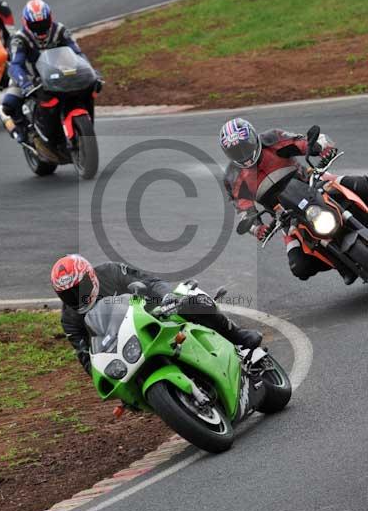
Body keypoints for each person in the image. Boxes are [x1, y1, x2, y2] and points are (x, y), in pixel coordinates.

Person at [50, 254, 262, 375]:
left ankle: (237, 336)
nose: (77, 296)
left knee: (190, 300)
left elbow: (151, 282)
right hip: (126, 349)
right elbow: (85, 356)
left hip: (153, 315)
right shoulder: (69, 319)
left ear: (91, 276)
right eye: (69, 294)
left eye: (81, 288)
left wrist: (167, 296)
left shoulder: (110, 271)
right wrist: (101, 373)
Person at [220, 117, 368, 283]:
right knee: (299, 267)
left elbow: (303, 142)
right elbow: (245, 212)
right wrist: (257, 228)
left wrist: (322, 147)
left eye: (245, 147)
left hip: (313, 183)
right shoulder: (233, 178)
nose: (243, 154)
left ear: (253, 138)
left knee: (360, 184)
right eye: (236, 152)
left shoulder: (272, 139)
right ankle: (342, 264)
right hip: (286, 216)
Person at [0, 0, 101, 143]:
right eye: (36, 25)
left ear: (50, 18)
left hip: (60, 74)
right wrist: (25, 83)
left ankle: (80, 127)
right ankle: (24, 131)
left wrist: (90, 70)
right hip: (29, 77)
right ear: (26, 23)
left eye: (43, 23)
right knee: (9, 104)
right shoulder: (19, 39)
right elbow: (16, 65)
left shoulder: (60, 30)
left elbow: (77, 53)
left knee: (88, 88)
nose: (40, 28)